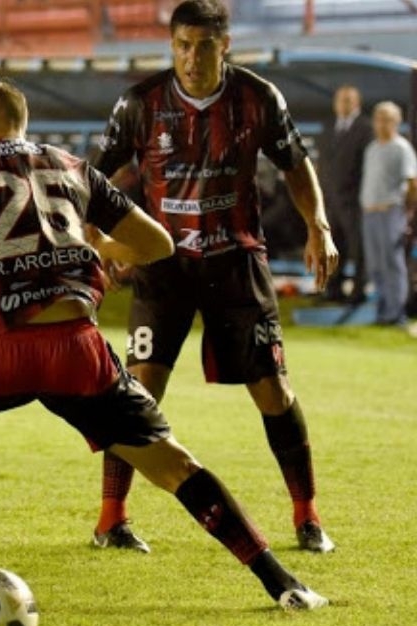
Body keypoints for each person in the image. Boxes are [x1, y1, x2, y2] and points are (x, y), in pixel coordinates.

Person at [0, 79, 327, 610]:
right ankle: (284, 584)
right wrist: (102, 247)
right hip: (78, 351)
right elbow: (158, 243)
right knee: (177, 467)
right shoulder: (75, 168)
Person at [90, 0, 338, 554]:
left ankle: (308, 516)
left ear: (224, 46)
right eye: (182, 45)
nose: (192, 57)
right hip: (163, 264)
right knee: (138, 389)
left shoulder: (257, 98)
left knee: (273, 390)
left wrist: (317, 224)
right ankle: (111, 519)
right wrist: (102, 242)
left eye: (204, 46)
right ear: (171, 45)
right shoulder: (140, 103)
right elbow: (92, 179)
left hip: (236, 260)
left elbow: (295, 163)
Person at [359, 101, 417, 327]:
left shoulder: (401, 148)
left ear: (396, 122)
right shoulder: (372, 148)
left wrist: (407, 211)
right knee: (375, 265)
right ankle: (382, 312)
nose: (382, 124)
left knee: (392, 263)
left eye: (387, 119)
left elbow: (412, 182)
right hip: (369, 212)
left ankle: (396, 313)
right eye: (379, 119)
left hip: (391, 211)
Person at [317, 85, 372, 304]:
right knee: (333, 246)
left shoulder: (365, 128)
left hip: (354, 200)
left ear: (357, 103)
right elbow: (324, 163)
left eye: (348, 100)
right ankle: (333, 289)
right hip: (331, 200)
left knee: (358, 248)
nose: (343, 104)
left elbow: (367, 166)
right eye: (340, 100)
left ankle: (358, 291)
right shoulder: (329, 126)